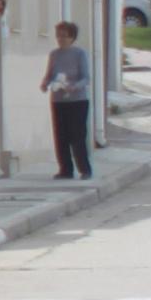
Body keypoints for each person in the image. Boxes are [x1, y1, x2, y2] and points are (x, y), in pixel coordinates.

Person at [42, 21, 95, 182]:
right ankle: (65, 169)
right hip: (58, 100)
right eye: (58, 36)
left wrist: (74, 86)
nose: (61, 39)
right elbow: (50, 74)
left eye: (64, 36)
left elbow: (86, 77)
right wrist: (46, 83)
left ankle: (84, 169)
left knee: (77, 135)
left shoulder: (79, 54)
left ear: (72, 37)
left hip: (77, 100)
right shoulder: (54, 54)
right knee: (61, 135)